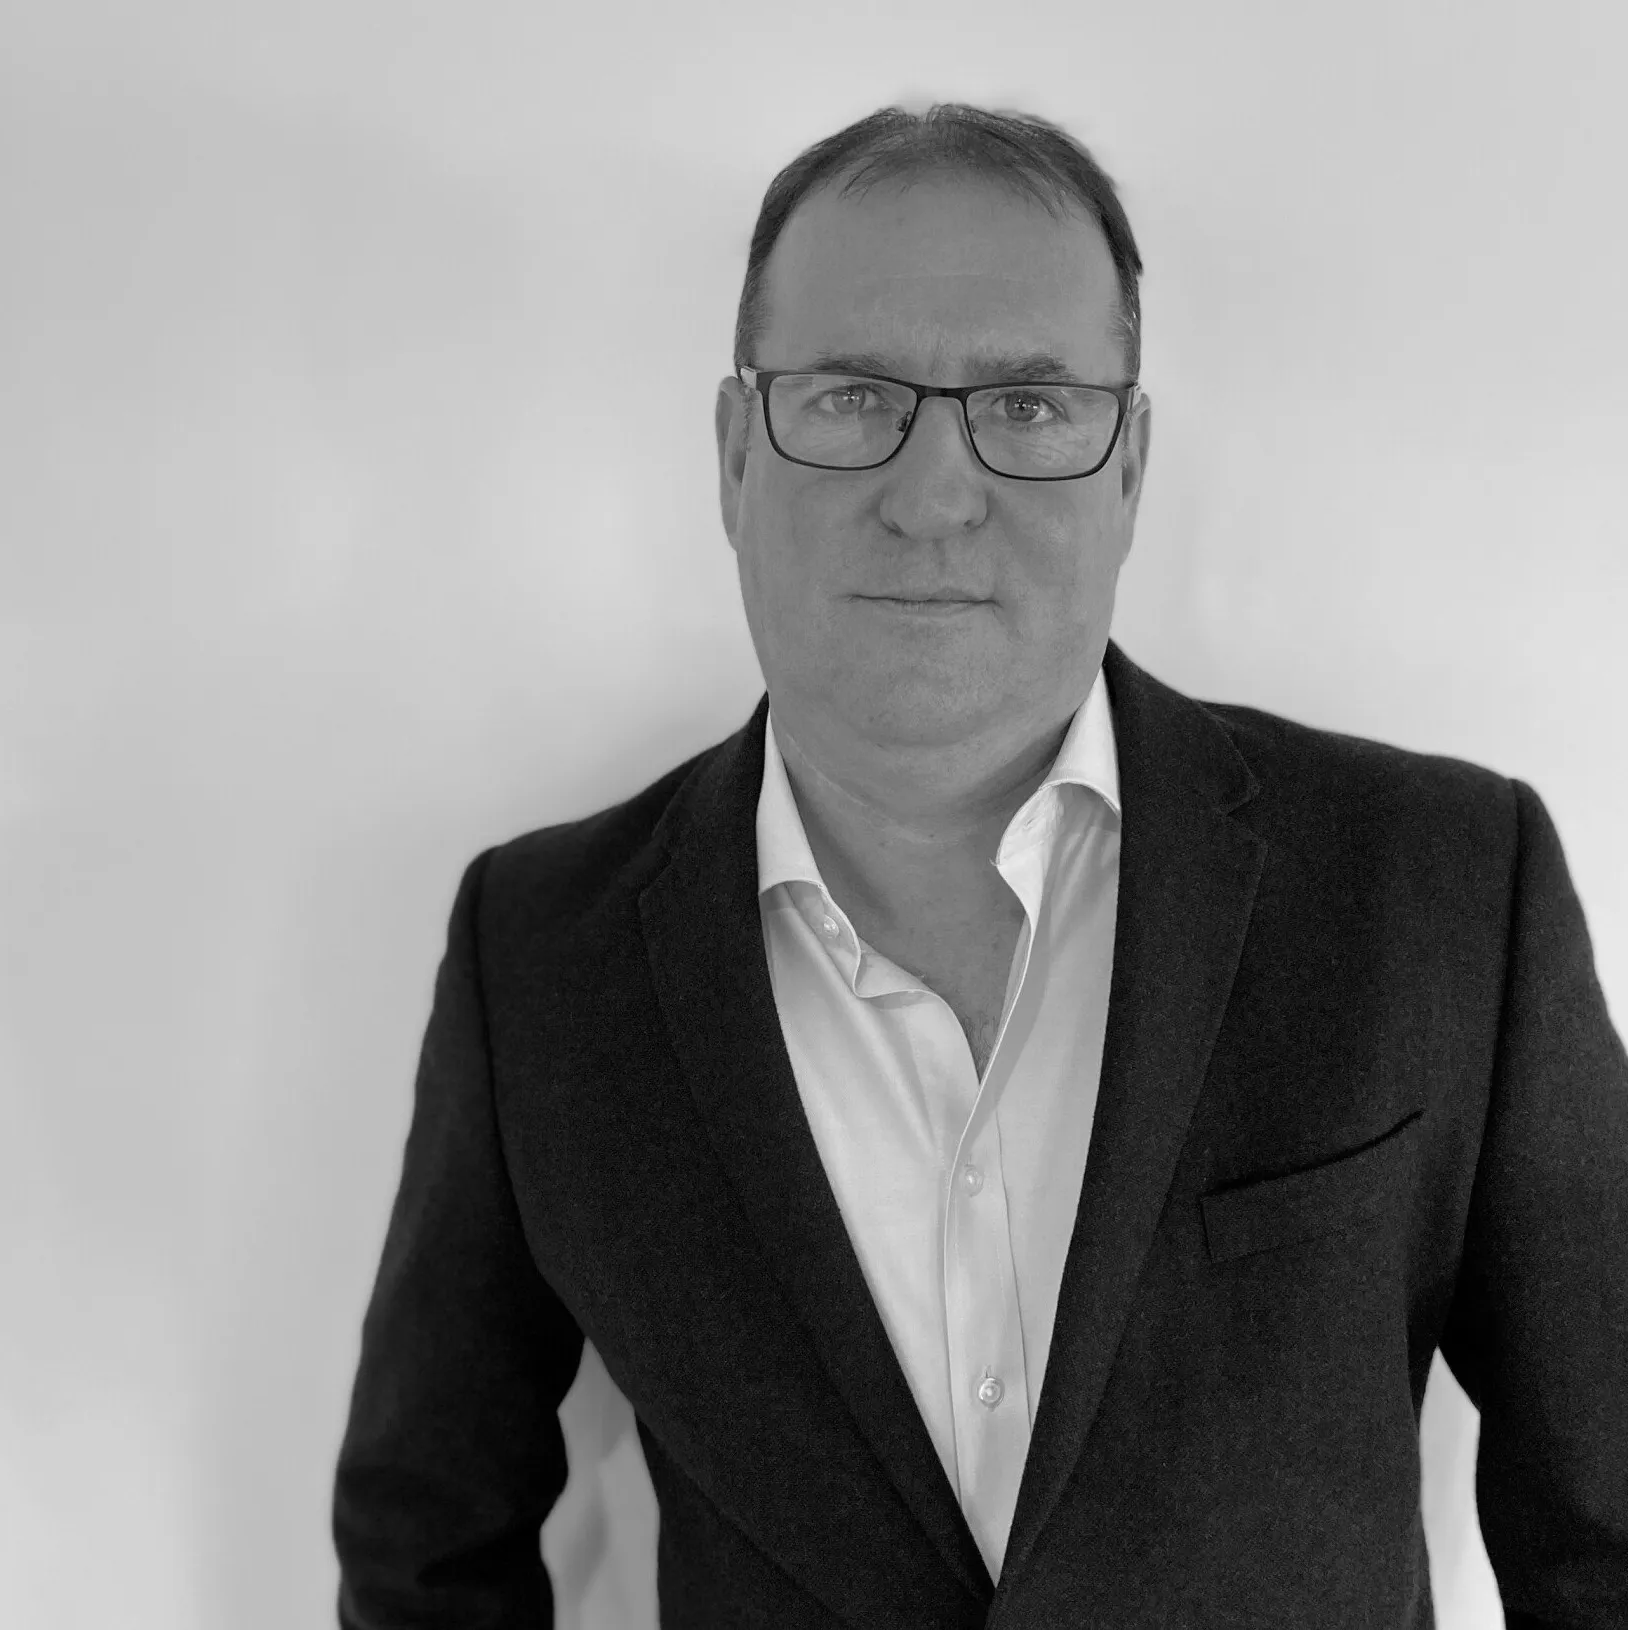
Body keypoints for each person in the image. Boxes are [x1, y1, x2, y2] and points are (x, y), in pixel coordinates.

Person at [331, 102, 1628, 1629]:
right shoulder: (543, 957)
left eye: (1027, 404)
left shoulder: (1443, 890)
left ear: (1129, 465)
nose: (936, 494)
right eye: (850, 395)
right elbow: (428, 1546)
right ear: (735, 453)